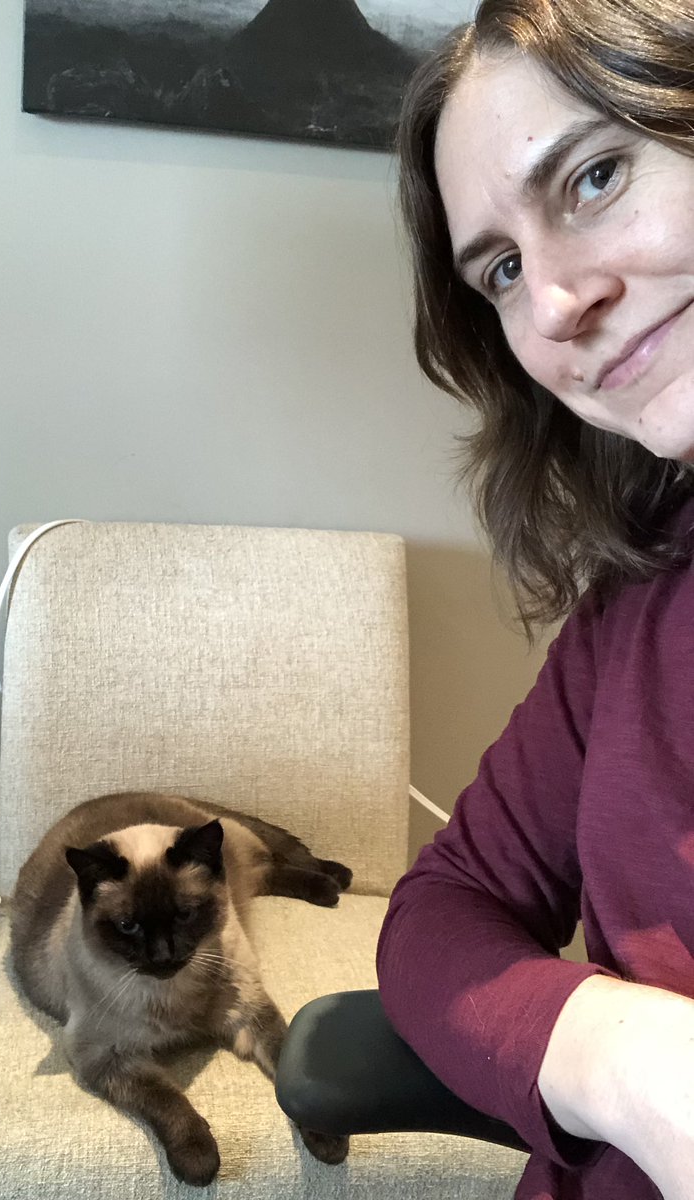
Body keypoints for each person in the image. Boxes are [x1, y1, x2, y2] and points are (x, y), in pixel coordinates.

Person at [375, 1, 694, 1197]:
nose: (555, 304)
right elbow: (444, 909)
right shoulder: (639, 594)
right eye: (501, 269)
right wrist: (620, 1056)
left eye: (598, 175)